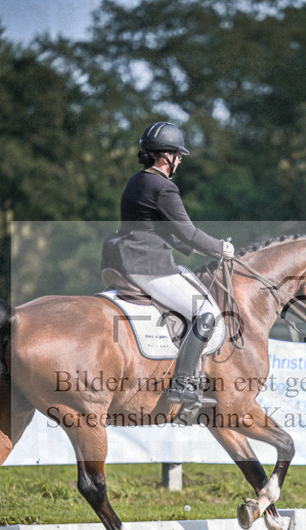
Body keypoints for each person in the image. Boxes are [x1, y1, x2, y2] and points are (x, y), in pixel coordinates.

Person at [102, 121, 235, 412]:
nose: (180, 162)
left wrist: (184, 247)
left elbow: (152, 225)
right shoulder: (164, 187)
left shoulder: (136, 180)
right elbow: (188, 232)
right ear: (166, 157)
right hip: (146, 266)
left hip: (120, 258)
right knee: (206, 311)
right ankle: (183, 383)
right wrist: (220, 248)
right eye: (178, 156)